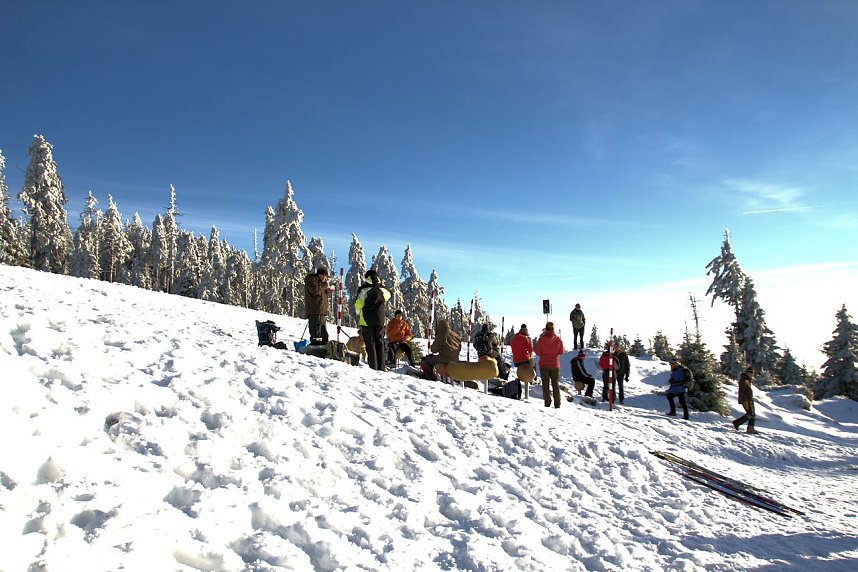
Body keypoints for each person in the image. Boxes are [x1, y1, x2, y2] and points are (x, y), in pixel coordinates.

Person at [354, 269, 391, 371]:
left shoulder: (363, 290)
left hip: (366, 320)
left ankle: (373, 368)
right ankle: (381, 367)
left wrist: (358, 312)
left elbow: (358, 304)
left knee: (370, 345)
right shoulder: (382, 289)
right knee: (380, 343)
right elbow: (388, 296)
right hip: (380, 320)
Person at [535, 322, 565, 408]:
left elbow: (537, 352)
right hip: (555, 364)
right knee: (555, 384)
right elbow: (561, 352)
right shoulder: (558, 339)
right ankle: (557, 403)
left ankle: (547, 402)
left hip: (544, 364)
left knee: (545, 384)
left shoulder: (541, 339)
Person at [304, 267, 332, 345]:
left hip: (321, 311)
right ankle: (316, 347)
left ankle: (323, 346)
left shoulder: (318, 283)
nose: (325, 279)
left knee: (323, 334)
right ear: (321, 275)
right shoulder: (311, 280)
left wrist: (327, 291)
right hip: (315, 310)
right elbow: (315, 291)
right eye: (325, 276)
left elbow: (319, 292)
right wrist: (325, 285)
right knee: (317, 334)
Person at [733, 366, 758, 433]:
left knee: (752, 414)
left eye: (752, 373)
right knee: (750, 414)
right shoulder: (743, 381)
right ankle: (737, 423)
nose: (752, 375)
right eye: (751, 373)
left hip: (750, 400)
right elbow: (741, 392)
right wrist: (744, 401)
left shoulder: (748, 380)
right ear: (747, 373)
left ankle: (750, 428)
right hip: (746, 400)